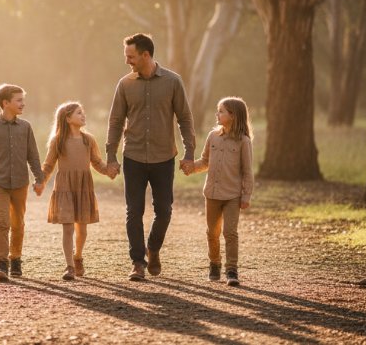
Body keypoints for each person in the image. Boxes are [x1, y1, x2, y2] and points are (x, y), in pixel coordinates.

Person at [105, 33, 196, 281]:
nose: (127, 61)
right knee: (133, 211)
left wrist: (189, 152)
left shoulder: (172, 82)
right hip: (133, 155)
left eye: (130, 56)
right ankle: (137, 262)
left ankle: (153, 248)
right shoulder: (124, 84)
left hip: (163, 156)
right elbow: (115, 121)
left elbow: (185, 119)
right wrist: (111, 155)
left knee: (164, 211)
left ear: (146, 55)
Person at [182, 97, 254, 287]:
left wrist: (246, 195)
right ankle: (214, 264)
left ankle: (232, 270)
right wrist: (190, 168)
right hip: (212, 194)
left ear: (233, 115)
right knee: (212, 232)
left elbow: (247, 172)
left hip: (232, 195)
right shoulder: (213, 136)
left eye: (221, 111)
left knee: (230, 232)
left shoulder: (243, 142)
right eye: (218, 110)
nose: (217, 114)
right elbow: (205, 161)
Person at [0, 83, 44, 281]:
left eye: (22, 100)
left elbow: (33, 155)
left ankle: (16, 259)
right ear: (5, 103)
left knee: (18, 223)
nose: (23, 104)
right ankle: (2, 263)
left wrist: (39, 178)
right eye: (19, 100)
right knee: (2, 222)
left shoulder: (25, 127)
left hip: (20, 183)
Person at [41, 102, 109, 281]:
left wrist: (110, 170)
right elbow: (48, 164)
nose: (83, 115)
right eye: (79, 113)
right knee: (68, 227)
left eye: (83, 112)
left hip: (83, 186)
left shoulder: (89, 140)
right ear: (68, 118)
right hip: (65, 187)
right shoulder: (58, 141)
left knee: (82, 229)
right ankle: (69, 265)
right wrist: (40, 180)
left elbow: (97, 162)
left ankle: (78, 256)